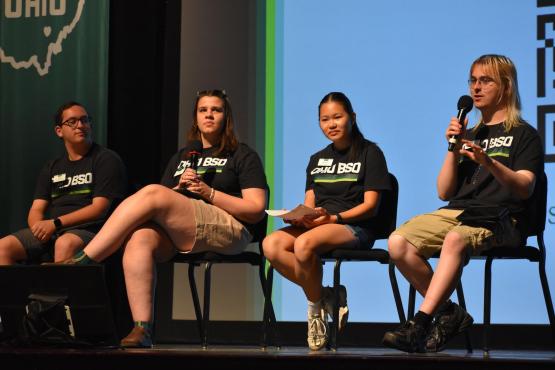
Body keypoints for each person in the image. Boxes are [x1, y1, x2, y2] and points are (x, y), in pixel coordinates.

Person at [58, 89, 268, 348]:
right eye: (203, 110)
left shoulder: (242, 155)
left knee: (153, 192)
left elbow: (256, 209)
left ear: (227, 117)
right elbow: (161, 205)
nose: (209, 115)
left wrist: (208, 192)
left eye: (216, 110)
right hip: (187, 228)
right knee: (140, 238)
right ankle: (142, 328)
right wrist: (179, 192)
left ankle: (86, 259)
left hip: (231, 229)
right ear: (195, 118)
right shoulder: (183, 157)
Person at [382, 54, 544, 353]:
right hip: (459, 212)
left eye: (485, 80)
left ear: (506, 87)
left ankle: (419, 323)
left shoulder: (524, 134)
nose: (476, 88)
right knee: (398, 242)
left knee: (455, 239)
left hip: (503, 218)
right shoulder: (471, 133)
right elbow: (444, 192)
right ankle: (449, 313)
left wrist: (488, 161)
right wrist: (452, 149)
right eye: (473, 80)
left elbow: (525, 187)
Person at [263, 92, 391, 351]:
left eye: (337, 117)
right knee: (271, 245)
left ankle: (314, 314)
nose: (331, 124)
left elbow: (370, 206)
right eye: (324, 119)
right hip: (321, 224)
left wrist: (333, 218)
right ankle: (327, 296)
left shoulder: (371, 153)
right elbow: (309, 202)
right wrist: (299, 216)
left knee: (304, 246)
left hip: (354, 226)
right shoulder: (316, 159)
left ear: (352, 118)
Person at [0, 102, 127, 265]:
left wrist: (56, 223)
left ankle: (56, 291)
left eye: (85, 120)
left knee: (65, 243)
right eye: (72, 122)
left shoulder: (106, 159)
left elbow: (99, 209)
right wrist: (38, 229)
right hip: (54, 229)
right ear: (59, 131)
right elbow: (37, 208)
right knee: (3, 248)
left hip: (90, 230)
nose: (80, 125)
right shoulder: (52, 166)